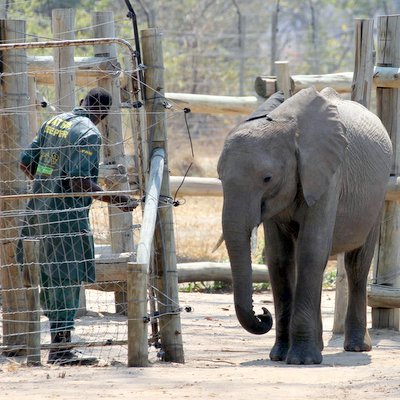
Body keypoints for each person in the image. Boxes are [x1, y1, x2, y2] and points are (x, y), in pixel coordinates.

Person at [18, 88, 139, 365]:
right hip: (66, 219)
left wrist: (48, 184)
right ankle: (61, 350)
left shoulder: (55, 121)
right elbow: (78, 182)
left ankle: (52, 345)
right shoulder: (89, 133)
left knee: (47, 280)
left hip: (37, 214)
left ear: (83, 102)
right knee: (67, 279)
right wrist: (115, 199)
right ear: (105, 114)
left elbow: (26, 163)